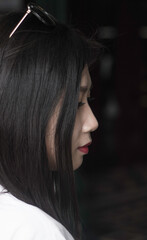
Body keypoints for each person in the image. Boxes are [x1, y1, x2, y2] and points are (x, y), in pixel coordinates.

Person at [0, 3, 99, 240]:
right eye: (76, 105)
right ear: (22, 109)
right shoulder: (34, 230)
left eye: (88, 99)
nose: (92, 122)